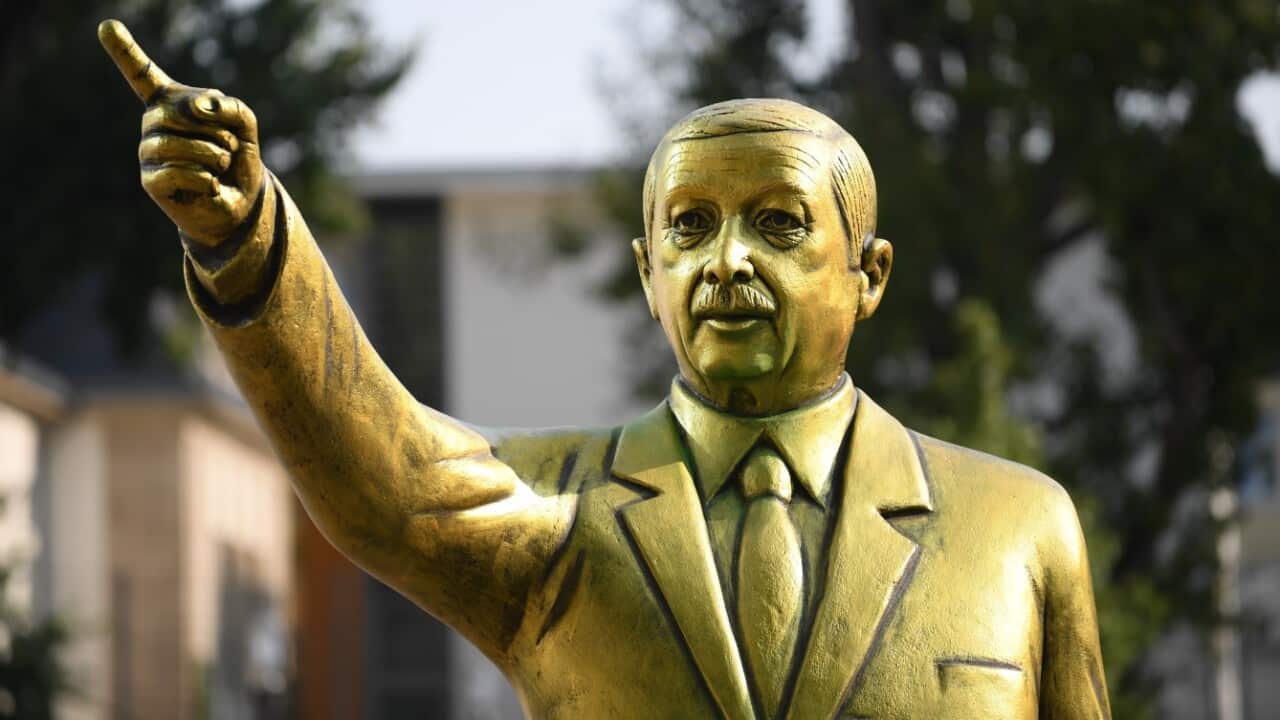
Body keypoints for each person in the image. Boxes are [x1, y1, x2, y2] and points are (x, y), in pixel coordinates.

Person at [99, 19, 1110, 719]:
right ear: (646, 273)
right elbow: (386, 479)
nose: (727, 262)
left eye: (777, 224)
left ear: (868, 272)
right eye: (689, 227)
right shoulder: (552, 515)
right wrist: (246, 243)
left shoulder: (1019, 527)